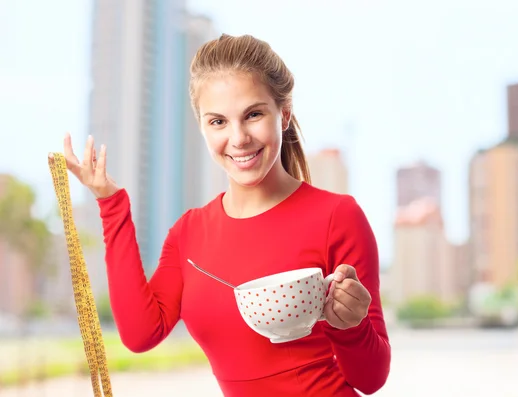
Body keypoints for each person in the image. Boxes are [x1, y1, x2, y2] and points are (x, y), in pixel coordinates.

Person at [59, 33, 391, 396]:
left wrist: (352, 326)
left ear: (284, 114)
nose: (238, 138)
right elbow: (140, 335)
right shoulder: (188, 233)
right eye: (218, 122)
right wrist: (111, 204)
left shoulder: (338, 217)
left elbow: (370, 379)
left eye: (253, 115)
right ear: (202, 127)